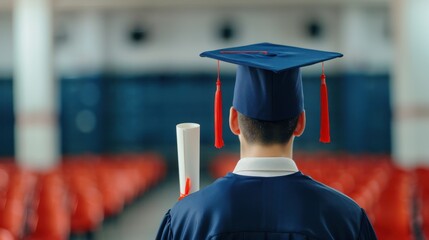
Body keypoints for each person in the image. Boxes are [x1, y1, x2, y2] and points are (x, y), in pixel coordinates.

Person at [156, 43, 377, 240]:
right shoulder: (344, 217)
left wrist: (188, 213)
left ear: (233, 121)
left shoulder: (190, 217)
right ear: (301, 122)